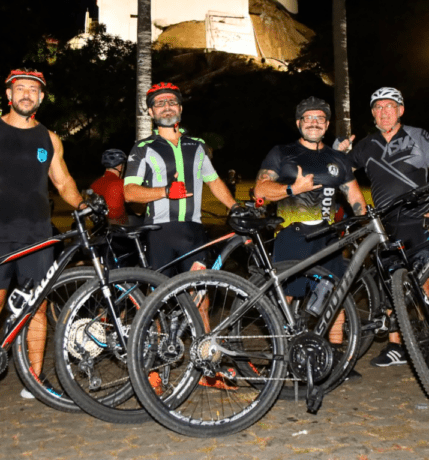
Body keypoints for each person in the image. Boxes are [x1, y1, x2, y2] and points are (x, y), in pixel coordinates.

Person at [0, 69, 85, 397]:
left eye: (33, 90)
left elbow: (63, 181)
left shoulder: (49, 138)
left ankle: (35, 380)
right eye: (20, 88)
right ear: (9, 95)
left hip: (38, 235)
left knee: (36, 307)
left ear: (40, 97)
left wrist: (83, 206)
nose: (26, 93)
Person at [254, 97, 366, 348]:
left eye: (320, 119)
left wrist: (364, 222)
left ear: (326, 125)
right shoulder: (281, 152)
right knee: (287, 296)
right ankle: (283, 351)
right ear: (298, 123)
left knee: (336, 294)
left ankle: (336, 353)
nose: (314, 123)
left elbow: (355, 195)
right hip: (292, 233)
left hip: (328, 237)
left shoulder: (338, 158)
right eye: (308, 118)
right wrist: (293, 189)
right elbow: (260, 190)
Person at [335, 86, 429, 367]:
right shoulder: (366, 145)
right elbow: (340, 172)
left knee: (424, 280)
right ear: (373, 115)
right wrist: (336, 153)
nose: (384, 112)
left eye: (390, 106)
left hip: (420, 217)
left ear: (400, 110)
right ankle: (395, 346)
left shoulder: (419, 136)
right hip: (385, 223)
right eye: (378, 108)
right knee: (392, 284)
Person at [124, 82, 237, 276]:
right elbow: (129, 193)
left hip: (193, 230)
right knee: (157, 298)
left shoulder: (198, 145)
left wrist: (236, 208)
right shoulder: (143, 147)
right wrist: (165, 192)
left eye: (172, 101)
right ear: (151, 112)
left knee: (200, 296)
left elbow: (214, 181)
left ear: (180, 108)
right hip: (158, 232)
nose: (167, 106)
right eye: (159, 103)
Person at [90, 149, 130, 225]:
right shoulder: (121, 183)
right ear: (120, 166)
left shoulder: (94, 184)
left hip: (100, 229)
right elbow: (139, 211)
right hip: (119, 229)